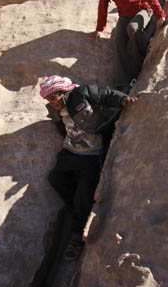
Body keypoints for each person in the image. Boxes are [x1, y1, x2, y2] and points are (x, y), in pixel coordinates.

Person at [40, 74, 137, 260]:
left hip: (91, 156)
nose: (52, 103)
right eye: (48, 100)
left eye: (53, 97)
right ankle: (77, 208)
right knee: (56, 179)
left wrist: (124, 99)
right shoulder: (55, 110)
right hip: (69, 152)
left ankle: (76, 238)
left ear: (63, 92)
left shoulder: (81, 93)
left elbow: (106, 94)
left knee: (84, 194)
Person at [89, 0, 166, 93]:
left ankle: (138, 68)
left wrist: (159, 15)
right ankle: (123, 81)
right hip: (125, 14)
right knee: (119, 39)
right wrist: (100, 28)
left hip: (143, 10)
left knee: (133, 29)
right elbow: (103, 4)